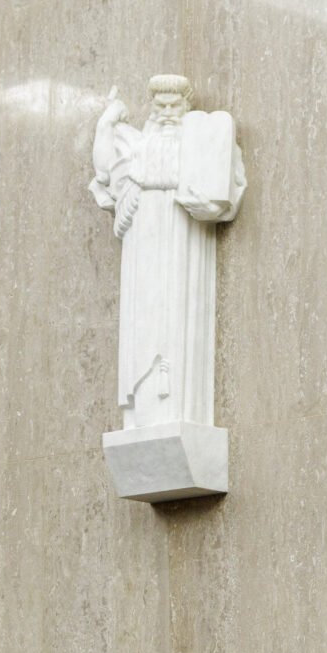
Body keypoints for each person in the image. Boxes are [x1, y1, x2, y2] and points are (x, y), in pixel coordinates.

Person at [90, 75, 247, 430]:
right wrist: (107, 121)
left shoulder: (202, 141)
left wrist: (206, 202)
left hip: (182, 234)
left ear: (186, 106)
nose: (166, 113)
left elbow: (228, 184)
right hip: (143, 235)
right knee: (145, 313)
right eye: (159, 106)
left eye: (174, 106)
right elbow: (106, 170)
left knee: (176, 311)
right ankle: (144, 413)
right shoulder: (138, 144)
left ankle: (176, 405)